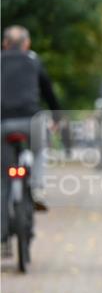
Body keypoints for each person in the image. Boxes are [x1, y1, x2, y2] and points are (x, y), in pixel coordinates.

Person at [0, 25, 61, 217]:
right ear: (27, 43)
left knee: (3, 174)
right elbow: (48, 91)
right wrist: (57, 116)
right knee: (40, 148)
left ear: (5, 43)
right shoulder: (33, 60)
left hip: (4, 123)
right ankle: (36, 188)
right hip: (31, 121)